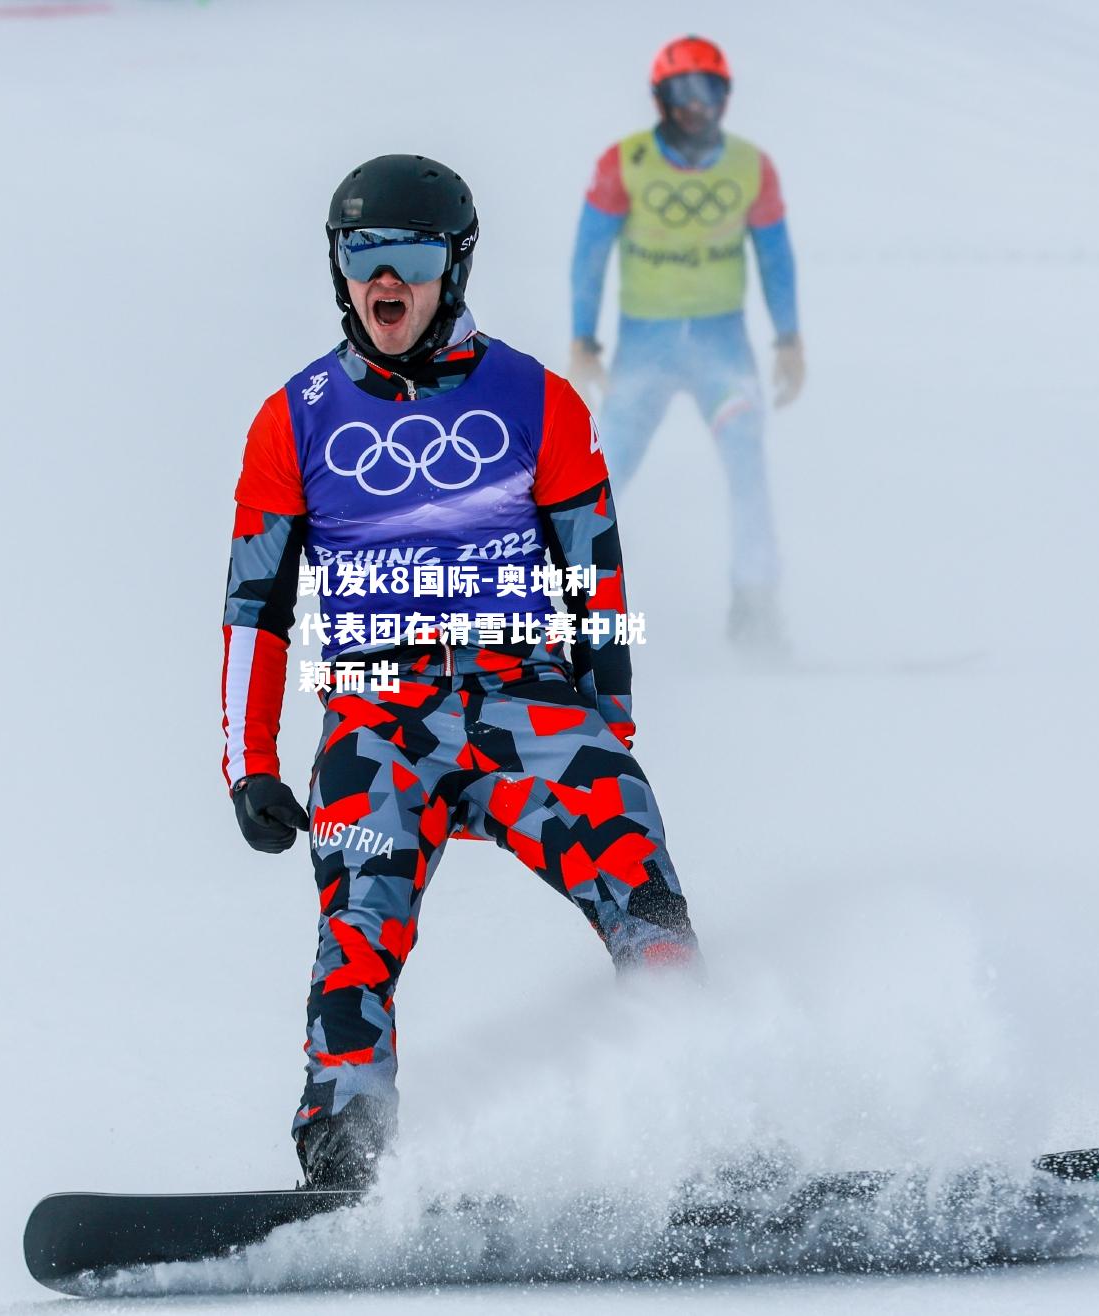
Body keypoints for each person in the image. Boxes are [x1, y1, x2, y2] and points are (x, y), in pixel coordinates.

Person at [220, 155, 702, 1191]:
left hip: (524, 696)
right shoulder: (293, 417)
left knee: (639, 878)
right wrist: (248, 760)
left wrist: (606, 724)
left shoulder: (535, 399)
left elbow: (596, 577)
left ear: (455, 265)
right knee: (356, 917)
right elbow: (253, 604)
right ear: (337, 268)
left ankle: (703, 1112)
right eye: (360, 255)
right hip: (375, 715)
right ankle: (345, 1157)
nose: (381, 280)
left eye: (409, 256)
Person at [569, 35, 804, 653]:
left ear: (725, 97)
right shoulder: (624, 163)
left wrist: (789, 339)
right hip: (643, 354)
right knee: (603, 478)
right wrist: (583, 338)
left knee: (748, 468)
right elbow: (589, 255)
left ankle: (754, 608)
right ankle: (567, 614)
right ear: (661, 97)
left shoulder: (751, 166)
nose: (696, 107)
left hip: (722, 353)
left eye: (709, 93)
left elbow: (775, 256)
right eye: (683, 93)